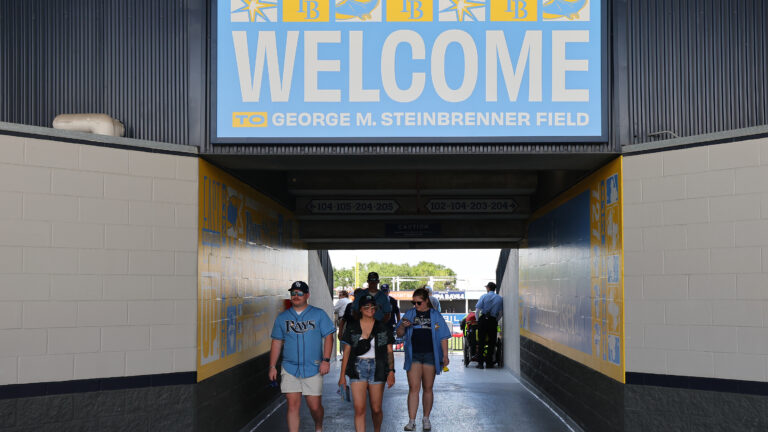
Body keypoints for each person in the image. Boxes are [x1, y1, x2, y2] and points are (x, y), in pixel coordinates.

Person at [269, 281, 335, 432]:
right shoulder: (282, 317)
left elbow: (329, 337)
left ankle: (318, 426)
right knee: (292, 406)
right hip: (289, 367)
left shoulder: (318, 314)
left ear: (307, 295)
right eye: (293, 293)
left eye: (299, 293)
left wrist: (326, 360)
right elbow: (277, 342)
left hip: (313, 367)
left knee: (315, 406)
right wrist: (272, 366)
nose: (296, 296)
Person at [395, 288, 451, 431]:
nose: (416, 305)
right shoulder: (409, 314)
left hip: (430, 356)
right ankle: (411, 420)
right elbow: (399, 333)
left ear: (426, 301)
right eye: (414, 302)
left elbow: (443, 337)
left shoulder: (435, 315)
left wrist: (445, 355)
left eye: (419, 302)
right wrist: (402, 325)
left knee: (428, 388)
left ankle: (426, 419)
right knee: (413, 388)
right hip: (414, 356)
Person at [338, 294, 396, 432]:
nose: (370, 309)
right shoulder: (352, 327)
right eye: (366, 307)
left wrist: (391, 372)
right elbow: (346, 352)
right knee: (359, 409)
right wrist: (342, 377)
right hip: (357, 368)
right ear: (360, 309)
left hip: (378, 368)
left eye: (372, 307)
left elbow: (389, 351)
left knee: (376, 409)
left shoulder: (382, 327)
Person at [475, 281, 503, 369]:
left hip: (483, 320)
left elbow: (477, 311)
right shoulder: (499, 298)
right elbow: (501, 313)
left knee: (481, 341)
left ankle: (480, 363)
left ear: (488, 288)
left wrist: (477, 321)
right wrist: (495, 320)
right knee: (492, 342)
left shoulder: (483, 296)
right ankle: (489, 363)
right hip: (492, 321)